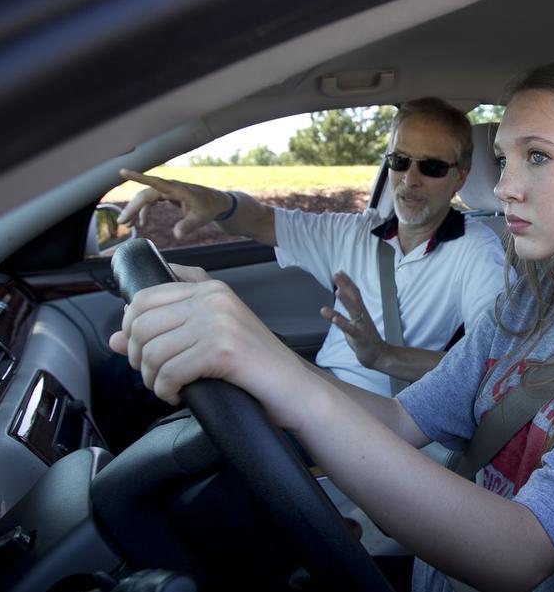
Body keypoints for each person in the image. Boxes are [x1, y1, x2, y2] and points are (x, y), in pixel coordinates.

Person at [111, 62, 554, 592]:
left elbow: (520, 555)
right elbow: (401, 421)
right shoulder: (523, 309)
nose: (507, 187)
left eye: (536, 157)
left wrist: (286, 372)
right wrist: (253, 351)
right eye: (503, 159)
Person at [116, 97, 508, 397]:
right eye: (400, 161)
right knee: (133, 379)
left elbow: (487, 366)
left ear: (459, 178)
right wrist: (217, 202)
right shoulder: (353, 232)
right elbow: (262, 221)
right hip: (316, 388)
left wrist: (384, 356)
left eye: (432, 167)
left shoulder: (477, 251)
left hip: (380, 422)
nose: (410, 180)